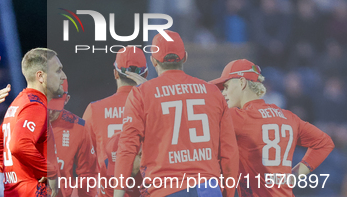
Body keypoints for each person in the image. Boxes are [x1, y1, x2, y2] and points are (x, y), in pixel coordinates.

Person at [114, 30, 238, 197]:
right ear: (185, 57)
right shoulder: (213, 92)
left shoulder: (141, 94)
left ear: (153, 61)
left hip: (165, 188)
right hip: (208, 189)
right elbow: (229, 151)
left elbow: (127, 147)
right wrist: (229, 193)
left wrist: (118, 193)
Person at [209, 59, 335, 196]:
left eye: (226, 87)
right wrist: (294, 175)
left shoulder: (236, 117)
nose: (224, 93)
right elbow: (324, 143)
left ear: (242, 83)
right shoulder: (288, 116)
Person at [0, 48, 66, 197]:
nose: (63, 77)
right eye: (58, 71)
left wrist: (18, 172)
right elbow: (19, 144)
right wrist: (51, 171)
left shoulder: (17, 104)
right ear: (41, 77)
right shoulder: (35, 107)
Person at [82, 46, 148, 197]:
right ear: (146, 73)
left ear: (115, 74)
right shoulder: (155, 106)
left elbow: (84, 160)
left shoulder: (94, 110)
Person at [49, 79, 97, 197]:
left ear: (67, 99)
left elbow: (88, 174)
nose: (50, 110)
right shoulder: (27, 120)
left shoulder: (78, 127)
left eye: (57, 103)